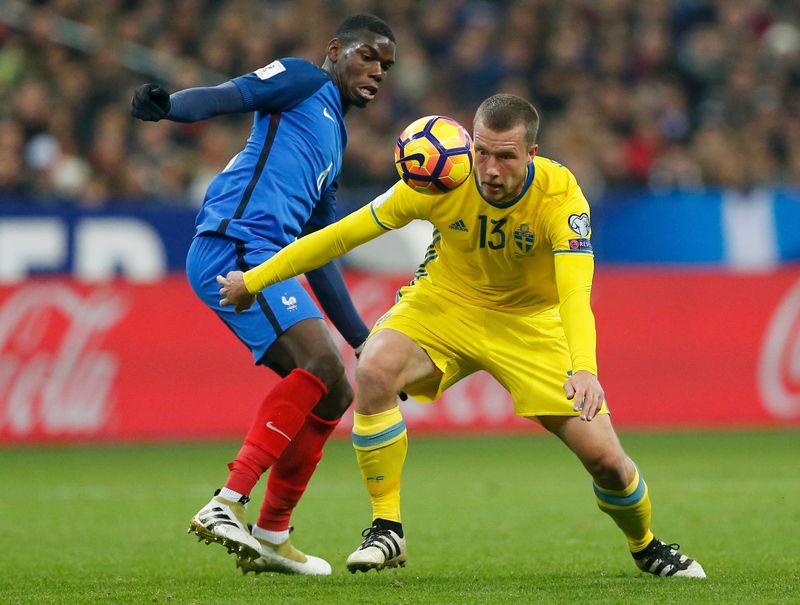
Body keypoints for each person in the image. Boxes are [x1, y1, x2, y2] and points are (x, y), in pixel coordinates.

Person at [216, 93, 707, 579]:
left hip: (531, 325)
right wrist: (253, 279)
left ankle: (646, 546)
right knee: (375, 366)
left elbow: (576, 293)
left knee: (608, 464)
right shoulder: (441, 177)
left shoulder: (561, 197)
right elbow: (342, 235)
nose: (490, 168)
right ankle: (386, 527)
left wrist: (584, 368)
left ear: (530, 155)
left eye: (505, 156)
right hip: (445, 306)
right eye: (482, 152)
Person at [129, 14, 396, 576]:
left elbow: (319, 253)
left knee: (334, 391)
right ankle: (227, 502)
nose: (377, 72)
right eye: (369, 56)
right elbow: (233, 94)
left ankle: (273, 535)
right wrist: (170, 106)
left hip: (267, 258)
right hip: (238, 243)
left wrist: (363, 339)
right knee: (320, 366)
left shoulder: (335, 145)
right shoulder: (304, 80)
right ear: (335, 50)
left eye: (387, 66)